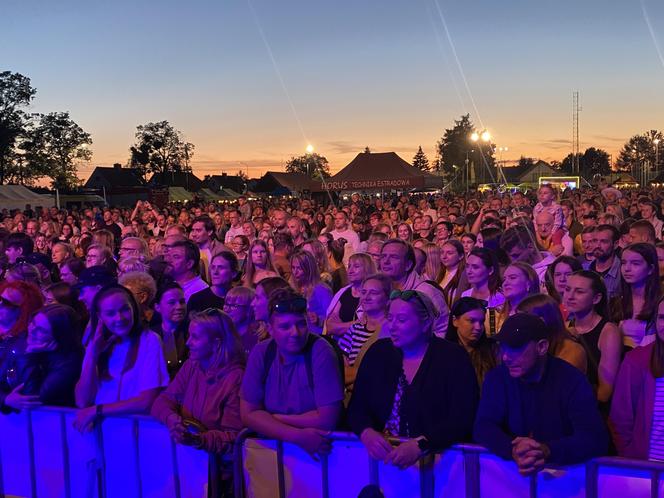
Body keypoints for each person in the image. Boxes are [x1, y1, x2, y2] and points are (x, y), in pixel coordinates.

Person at [347, 290, 479, 468]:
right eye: (390, 318)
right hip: (383, 462)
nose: (392, 326)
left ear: (425, 324)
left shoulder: (453, 358)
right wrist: (366, 431)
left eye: (401, 320)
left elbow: (463, 417)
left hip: (440, 465)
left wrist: (422, 444)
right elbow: (357, 406)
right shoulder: (378, 353)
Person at [473, 313, 608, 475]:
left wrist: (547, 450)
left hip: (566, 479)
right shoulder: (497, 378)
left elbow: (593, 437)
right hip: (510, 478)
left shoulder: (571, 380)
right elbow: (483, 426)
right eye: (503, 346)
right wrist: (512, 448)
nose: (505, 356)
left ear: (542, 347)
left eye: (515, 347)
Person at [240, 288, 344, 458]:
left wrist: (272, 419)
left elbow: (327, 419)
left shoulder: (321, 351)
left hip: (318, 456)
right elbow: (247, 414)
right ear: (270, 329)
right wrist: (298, 436)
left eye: (301, 324)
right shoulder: (261, 353)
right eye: (285, 326)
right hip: (271, 455)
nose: (295, 333)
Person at [151, 309, 244, 493]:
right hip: (187, 465)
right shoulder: (191, 365)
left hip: (217, 477)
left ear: (216, 343)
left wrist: (197, 439)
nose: (188, 343)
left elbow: (234, 438)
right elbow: (163, 401)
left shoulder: (236, 378)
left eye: (195, 338)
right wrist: (171, 419)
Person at [74, 285, 169, 432]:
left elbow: (146, 401)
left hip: (138, 432)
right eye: (110, 313)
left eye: (125, 309)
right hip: (104, 433)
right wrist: (93, 355)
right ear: (100, 317)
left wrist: (98, 410)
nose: (119, 318)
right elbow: (82, 400)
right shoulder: (97, 343)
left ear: (134, 308)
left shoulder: (150, 340)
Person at [610, 296, 664, 459]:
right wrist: (631, 456)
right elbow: (620, 419)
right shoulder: (636, 360)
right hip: (647, 467)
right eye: (662, 318)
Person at [5, 304, 83, 410]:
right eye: (33, 323)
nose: (32, 330)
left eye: (41, 330)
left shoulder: (69, 363)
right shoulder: (22, 341)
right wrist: (5, 399)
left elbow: (32, 399)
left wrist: (29, 355)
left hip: (49, 423)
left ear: (58, 336)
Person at [564, 271, 623, 405]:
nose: (570, 296)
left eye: (579, 292)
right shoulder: (566, 327)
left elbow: (605, 392)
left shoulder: (608, 331)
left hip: (591, 407)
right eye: (568, 289)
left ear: (596, 298)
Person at [380, 239, 449, 337]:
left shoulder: (427, 293)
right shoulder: (379, 291)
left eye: (394, 257)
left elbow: (441, 330)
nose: (386, 261)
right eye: (383, 256)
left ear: (408, 265)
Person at [338, 274, 391, 388]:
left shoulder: (392, 331)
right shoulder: (354, 329)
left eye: (373, 293)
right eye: (364, 292)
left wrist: (354, 371)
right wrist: (367, 370)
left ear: (387, 298)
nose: (366, 297)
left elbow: (383, 374)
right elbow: (339, 372)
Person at [0, 281, 44, 411]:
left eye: (7, 303)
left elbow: (24, 393)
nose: (0, 304)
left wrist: (4, 398)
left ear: (23, 311)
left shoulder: (25, 345)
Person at [446, 297, 498, 388]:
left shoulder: (493, 351)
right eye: (472, 321)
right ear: (455, 321)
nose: (478, 327)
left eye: (481, 322)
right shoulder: (443, 353)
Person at [616, 243, 661, 348]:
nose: (627, 268)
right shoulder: (617, 302)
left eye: (635, 264)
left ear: (651, 269)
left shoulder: (659, 303)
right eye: (623, 263)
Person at [325, 253, 376, 338]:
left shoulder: (373, 295)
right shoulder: (343, 292)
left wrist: (339, 326)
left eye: (356, 266)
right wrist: (353, 324)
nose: (350, 271)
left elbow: (366, 325)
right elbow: (329, 326)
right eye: (349, 266)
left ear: (367, 269)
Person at [289, 250, 333, 335]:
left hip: (317, 337)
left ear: (309, 269)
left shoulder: (321, 290)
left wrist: (318, 319)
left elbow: (332, 320)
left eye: (299, 268)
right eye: (293, 268)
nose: (295, 272)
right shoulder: (292, 289)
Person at [152, 282, 189, 378]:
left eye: (182, 302)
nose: (179, 307)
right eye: (172, 303)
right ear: (157, 307)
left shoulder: (194, 332)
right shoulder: (150, 336)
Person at [164, 239, 209, 304]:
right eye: (170, 256)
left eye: (176, 257)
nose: (169, 260)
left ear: (189, 264)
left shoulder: (202, 291)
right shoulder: (168, 284)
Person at [589, 224, 622, 299]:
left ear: (615, 244)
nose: (598, 245)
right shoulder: (585, 269)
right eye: (595, 241)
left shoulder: (623, 272)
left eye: (604, 241)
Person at [223, 286, 259, 354]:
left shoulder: (256, 337)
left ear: (249, 309)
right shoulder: (222, 334)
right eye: (226, 304)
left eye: (234, 305)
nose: (227, 309)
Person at [439, 240, 469, 307]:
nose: (444, 256)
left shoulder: (465, 276)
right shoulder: (439, 274)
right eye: (442, 252)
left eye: (449, 253)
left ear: (461, 256)